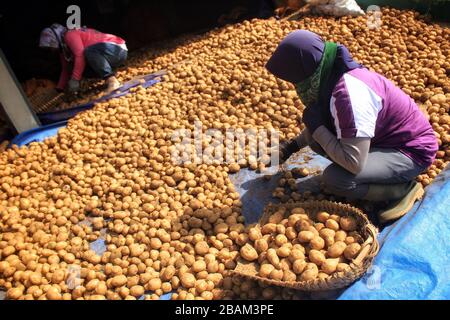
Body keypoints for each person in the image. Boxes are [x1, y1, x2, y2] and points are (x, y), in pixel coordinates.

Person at [266, 30, 438, 224]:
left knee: (336, 179)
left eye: (295, 80)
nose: (296, 87)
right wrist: (291, 146)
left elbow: (353, 162)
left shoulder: (349, 96)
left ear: (306, 73)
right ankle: (383, 177)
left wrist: (319, 129)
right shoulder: (332, 73)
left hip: (411, 152)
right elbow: (327, 120)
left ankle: (402, 189)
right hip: (384, 140)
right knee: (317, 142)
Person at [39, 23, 128, 95]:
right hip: (110, 55)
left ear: (54, 38)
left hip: (117, 49)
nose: (51, 50)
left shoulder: (70, 35)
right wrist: (59, 89)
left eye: (50, 46)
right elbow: (65, 69)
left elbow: (80, 55)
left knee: (87, 52)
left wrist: (75, 79)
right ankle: (109, 74)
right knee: (74, 67)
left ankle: (112, 80)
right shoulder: (64, 49)